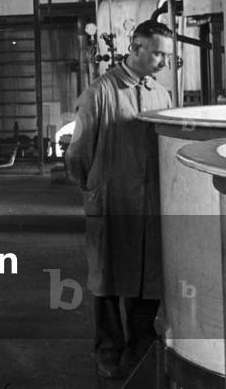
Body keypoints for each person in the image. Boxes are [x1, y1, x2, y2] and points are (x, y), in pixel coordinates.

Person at [65, 19, 174, 379]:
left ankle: (139, 346)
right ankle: (108, 349)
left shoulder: (161, 94)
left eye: (165, 56)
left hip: (151, 205)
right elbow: (78, 153)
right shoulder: (101, 92)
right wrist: (93, 190)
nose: (162, 62)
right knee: (109, 278)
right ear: (137, 48)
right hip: (112, 203)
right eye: (158, 53)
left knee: (149, 275)